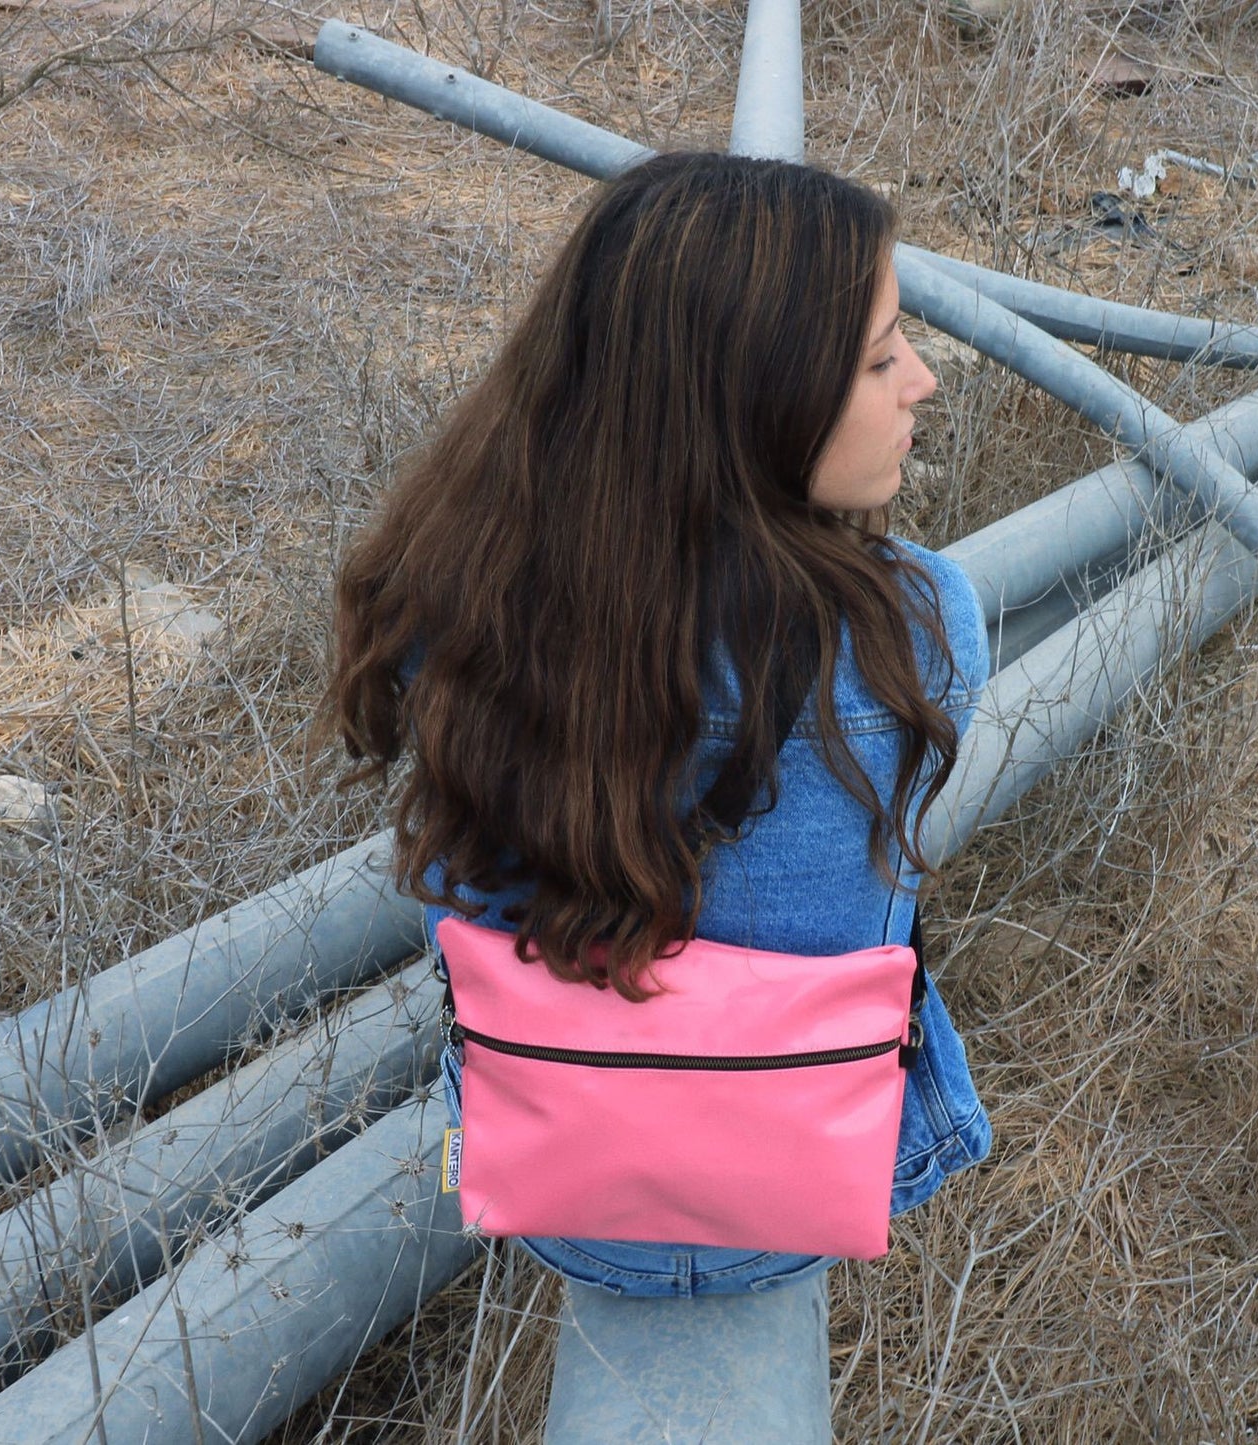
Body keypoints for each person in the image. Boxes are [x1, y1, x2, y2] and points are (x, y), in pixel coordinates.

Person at [325, 151, 991, 1305]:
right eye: (881, 355)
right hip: (801, 1197)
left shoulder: (455, 597)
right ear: (761, 399)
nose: (920, 380)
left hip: (557, 1194)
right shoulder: (925, 626)